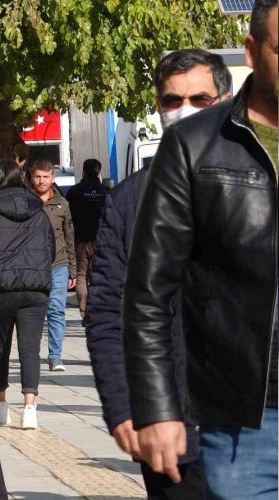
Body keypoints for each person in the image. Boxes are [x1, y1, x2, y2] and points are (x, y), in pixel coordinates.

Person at [123, 1, 278, 496]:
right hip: (249, 420)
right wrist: (155, 407)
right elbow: (148, 291)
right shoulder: (194, 146)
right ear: (252, 51)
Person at [85, 48, 232, 498]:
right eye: (172, 100)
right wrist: (123, 408)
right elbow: (108, 312)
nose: (184, 110)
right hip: (173, 428)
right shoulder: (129, 202)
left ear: (225, 101)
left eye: (199, 99)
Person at [0, 159, 54, 430]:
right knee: (30, 349)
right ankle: (30, 407)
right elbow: (50, 248)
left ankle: (1, 403)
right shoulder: (38, 209)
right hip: (34, 289)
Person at [29, 159, 76, 372]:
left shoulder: (62, 204)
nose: (41, 181)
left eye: (45, 177)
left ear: (52, 178)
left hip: (58, 264)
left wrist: (73, 269)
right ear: (31, 177)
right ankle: (31, 356)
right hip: (32, 266)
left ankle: (55, 356)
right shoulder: (25, 201)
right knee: (35, 312)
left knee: (56, 310)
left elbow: (69, 236)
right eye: (38, 176)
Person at [65, 158, 110, 317]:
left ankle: (84, 312)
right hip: (102, 241)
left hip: (80, 240)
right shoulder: (106, 192)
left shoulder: (74, 192)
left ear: (83, 171)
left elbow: (68, 216)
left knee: (81, 276)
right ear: (99, 172)